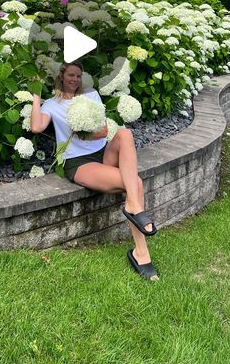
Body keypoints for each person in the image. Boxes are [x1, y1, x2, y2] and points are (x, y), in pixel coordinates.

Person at [30, 60, 159, 281]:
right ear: (61, 76)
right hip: (78, 162)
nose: (75, 80)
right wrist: (35, 99)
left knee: (125, 134)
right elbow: (36, 127)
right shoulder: (51, 104)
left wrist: (85, 131)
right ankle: (141, 252)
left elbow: (104, 131)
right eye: (70, 75)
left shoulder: (91, 96)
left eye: (78, 76)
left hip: (102, 154)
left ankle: (135, 208)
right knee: (135, 184)